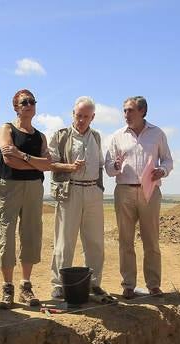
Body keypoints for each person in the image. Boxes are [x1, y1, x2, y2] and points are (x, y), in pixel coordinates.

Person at [104, 96, 173, 299]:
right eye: (124, 110)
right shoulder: (117, 136)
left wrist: (162, 170)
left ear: (142, 111)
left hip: (150, 191)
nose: (126, 114)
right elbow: (108, 167)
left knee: (151, 240)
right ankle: (128, 285)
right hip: (124, 190)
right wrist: (115, 166)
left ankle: (153, 284)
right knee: (125, 241)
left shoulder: (157, 133)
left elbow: (168, 160)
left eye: (130, 110)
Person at [48, 96, 109, 300]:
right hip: (70, 190)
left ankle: (93, 283)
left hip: (93, 192)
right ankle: (58, 284)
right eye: (78, 115)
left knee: (95, 242)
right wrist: (70, 167)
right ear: (73, 114)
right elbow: (51, 163)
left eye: (86, 116)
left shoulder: (97, 136)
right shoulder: (61, 135)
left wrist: (98, 188)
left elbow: (100, 165)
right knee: (64, 241)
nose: (81, 120)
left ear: (93, 117)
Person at [0, 89, 51, 309]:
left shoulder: (40, 137)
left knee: (31, 234)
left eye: (32, 102)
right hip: (9, 186)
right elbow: (9, 159)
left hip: (34, 188)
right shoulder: (6, 129)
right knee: (6, 235)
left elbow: (48, 165)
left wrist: (24, 156)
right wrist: (36, 162)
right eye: (24, 102)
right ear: (15, 106)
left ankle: (25, 286)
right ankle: (7, 287)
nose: (29, 105)